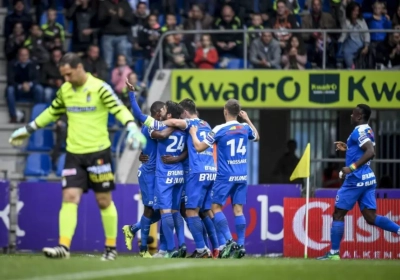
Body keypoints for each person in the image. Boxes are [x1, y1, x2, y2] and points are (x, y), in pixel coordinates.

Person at [8, 52, 147, 261]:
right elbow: (52, 112)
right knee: (70, 197)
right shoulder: (65, 90)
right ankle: (63, 246)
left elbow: (118, 109)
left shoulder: (100, 88)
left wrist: (132, 128)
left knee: (103, 201)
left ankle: (110, 247)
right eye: (63, 75)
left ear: (80, 68)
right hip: (74, 153)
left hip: (99, 153)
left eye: (68, 74)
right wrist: (28, 129)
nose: (66, 79)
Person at [317, 104, 400, 260]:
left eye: (353, 113)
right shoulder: (367, 129)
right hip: (368, 178)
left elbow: (370, 152)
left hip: (355, 180)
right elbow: (363, 149)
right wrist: (348, 148)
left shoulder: (359, 131)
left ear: (359, 116)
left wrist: (351, 167)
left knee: (338, 214)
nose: (351, 116)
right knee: (370, 217)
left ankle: (334, 253)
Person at [189, 99, 260, 258]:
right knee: (238, 210)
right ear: (238, 112)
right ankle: (241, 246)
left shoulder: (219, 129)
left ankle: (230, 242)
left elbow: (199, 147)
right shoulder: (244, 127)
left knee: (215, 208)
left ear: (225, 111)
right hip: (242, 175)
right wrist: (247, 119)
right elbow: (256, 136)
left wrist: (193, 133)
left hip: (225, 176)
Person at [122, 81, 185, 258]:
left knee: (160, 211)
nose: (166, 112)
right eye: (164, 110)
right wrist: (132, 94)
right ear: (158, 114)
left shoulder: (161, 125)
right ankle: (143, 251)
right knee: (150, 210)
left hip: (157, 172)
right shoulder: (151, 127)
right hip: (149, 173)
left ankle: (134, 230)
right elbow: (142, 118)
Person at [161, 99, 220, 258]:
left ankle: (202, 249)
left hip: (196, 172)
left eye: (182, 114)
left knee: (189, 211)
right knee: (205, 211)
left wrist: (155, 123)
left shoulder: (190, 123)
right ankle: (217, 247)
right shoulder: (206, 124)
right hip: (210, 170)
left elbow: (173, 121)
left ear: (185, 113)